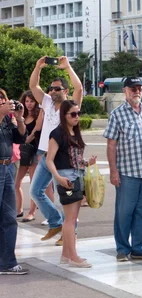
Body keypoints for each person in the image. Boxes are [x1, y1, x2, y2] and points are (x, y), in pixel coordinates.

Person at [104, 77, 142, 262]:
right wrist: (113, 172)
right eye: (133, 88)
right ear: (125, 91)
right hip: (127, 173)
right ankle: (122, 249)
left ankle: (140, 249)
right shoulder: (117, 114)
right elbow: (111, 145)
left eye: (139, 88)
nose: (137, 91)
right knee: (124, 213)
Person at [29, 56, 83, 244]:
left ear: (65, 91)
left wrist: (67, 67)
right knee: (35, 192)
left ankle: (70, 233)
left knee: (64, 199)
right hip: (44, 155)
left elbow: (79, 89)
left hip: (61, 158)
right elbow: (34, 86)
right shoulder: (47, 103)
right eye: (51, 88)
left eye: (57, 89)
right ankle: (55, 223)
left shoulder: (70, 108)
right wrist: (38, 66)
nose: (52, 91)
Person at [46, 100, 96, 268]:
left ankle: (66, 255)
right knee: (70, 219)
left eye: (78, 113)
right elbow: (49, 160)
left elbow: (76, 159)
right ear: (64, 115)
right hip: (67, 178)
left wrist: (87, 162)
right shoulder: (57, 133)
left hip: (77, 176)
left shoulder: (75, 132)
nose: (77, 117)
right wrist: (58, 178)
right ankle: (73, 256)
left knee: (72, 218)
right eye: (73, 114)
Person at [0, 89, 27, 275]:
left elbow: (20, 137)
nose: (3, 102)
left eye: (4, 99)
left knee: (9, 217)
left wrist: (20, 117)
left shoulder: (8, 119)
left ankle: (8, 262)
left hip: (8, 167)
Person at [15, 91, 43, 222]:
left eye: (32, 101)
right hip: (22, 151)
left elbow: (34, 131)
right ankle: (19, 209)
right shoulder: (21, 115)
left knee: (33, 184)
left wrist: (25, 140)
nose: (29, 104)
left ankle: (31, 212)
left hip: (34, 150)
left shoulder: (39, 115)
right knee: (16, 183)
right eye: (27, 101)